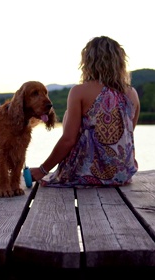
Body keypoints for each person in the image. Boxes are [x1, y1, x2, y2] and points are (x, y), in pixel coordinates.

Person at [30, 35, 140, 187]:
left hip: (86, 173)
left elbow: (69, 140)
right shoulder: (132, 93)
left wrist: (43, 170)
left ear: (88, 62)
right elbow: (127, 135)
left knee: (70, 116)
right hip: (122, 174)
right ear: (120, 62)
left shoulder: (79, 92)